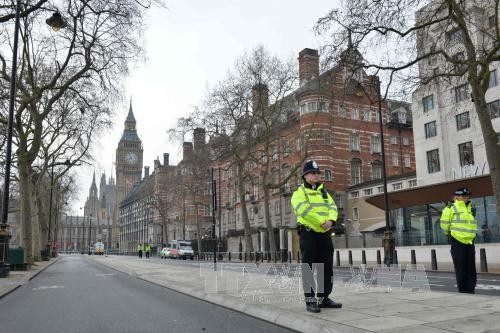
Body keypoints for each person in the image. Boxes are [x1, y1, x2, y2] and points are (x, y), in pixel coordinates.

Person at [291, 160, 342, 313]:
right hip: (309, 233)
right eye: (313, 173)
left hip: (324, 234)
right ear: (305, 175)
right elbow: (304, 211)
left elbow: (332, 207)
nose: (317, 175)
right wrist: (322, 222)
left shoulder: (323, 192)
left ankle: (323, 298)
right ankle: (310, 301)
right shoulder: (299, 193)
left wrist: (332, 220)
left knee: (325, 267)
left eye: (318, 172)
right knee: (309, 268)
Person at [440, 187, 477, 293]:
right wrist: (452, 234)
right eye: (463, 196)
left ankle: (471, 289)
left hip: (470, 242)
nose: (465, 197)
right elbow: (444, 226)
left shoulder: (470, 208)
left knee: (471, 268)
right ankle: (463, 290)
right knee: (461, 268)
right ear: (457, 197)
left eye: (467, 196)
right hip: (458, 242)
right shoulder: (450, 208)